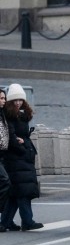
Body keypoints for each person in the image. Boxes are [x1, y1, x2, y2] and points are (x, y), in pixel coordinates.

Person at [1, 84, 42, 231]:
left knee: (16, 192)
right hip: (16, 158)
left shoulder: (21, 115)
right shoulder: (10, 116)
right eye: (15, 100)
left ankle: (5, 222)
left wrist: (24, 143)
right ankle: (27, 221)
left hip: (21, 157)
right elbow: (12, 138)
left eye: (20, 99)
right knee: (23, 192)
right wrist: (24, 148)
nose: (18, 102)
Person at [0, 88, 22, 232]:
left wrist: (15, 139)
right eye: (1, 98)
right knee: (4, 181)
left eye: (4, 98)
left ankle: (5, 219)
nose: (3, 101)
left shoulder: (2, 114)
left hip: (2, 153)